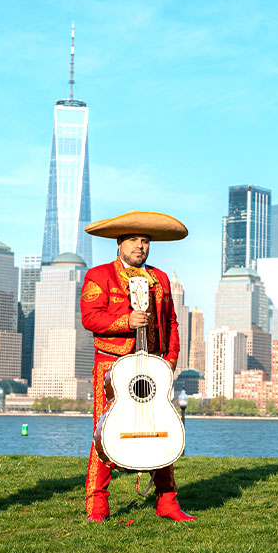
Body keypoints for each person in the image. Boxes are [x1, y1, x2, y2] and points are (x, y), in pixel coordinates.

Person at [80, 210, 195, 524]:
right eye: (133, 239)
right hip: (112, 365)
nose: (140, 246)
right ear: (119, 243)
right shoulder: (98, 275)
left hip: (153, 366)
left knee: (161, 430)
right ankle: (97, 506)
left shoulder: (159, 278)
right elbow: (89, 318)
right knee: (104, 431)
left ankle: (168, 502)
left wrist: (170, 360)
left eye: (145, 240)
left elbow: (171, 321)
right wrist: (124, 322)